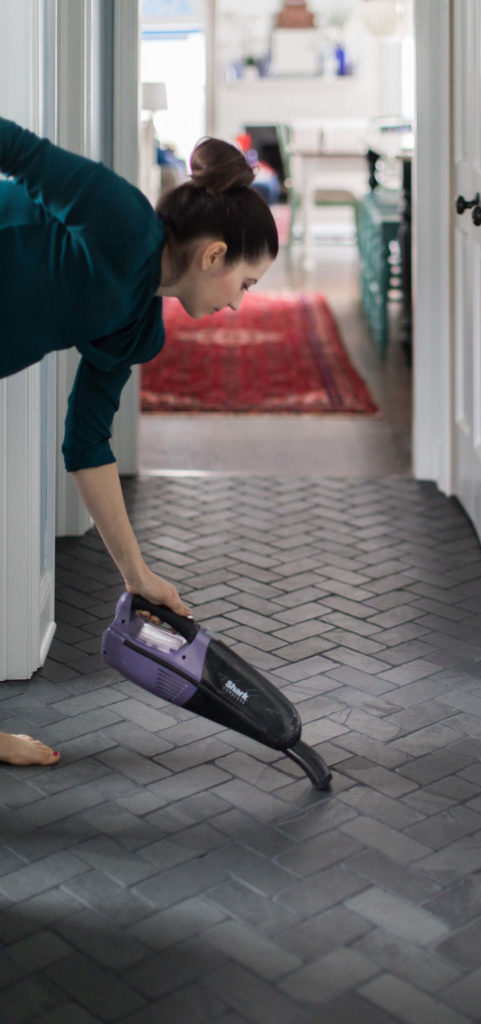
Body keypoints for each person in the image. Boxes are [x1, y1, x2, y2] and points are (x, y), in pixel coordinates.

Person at [0, 117, 278, 765]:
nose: (240, 304)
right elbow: (12, 147)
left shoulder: (134, 330)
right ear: (214, 255)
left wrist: (137, 574)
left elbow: (87, 442)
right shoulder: (121, 218)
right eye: (245, 283)